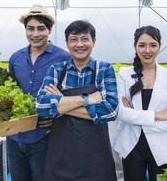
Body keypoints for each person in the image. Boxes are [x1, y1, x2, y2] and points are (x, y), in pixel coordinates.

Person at [36, 20, 118, 181]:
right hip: (61, 158)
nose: (79, 44)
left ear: (93, 41)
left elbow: (110, 110)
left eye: (85, 39)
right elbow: (41, 106)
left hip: (96, 159)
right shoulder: (57, 70)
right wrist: (88, 100)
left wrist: (61, 102)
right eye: (74, 39)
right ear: (67, 43)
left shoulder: (104, 69)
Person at [112, 25, 167, 181]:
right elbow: (120, 112)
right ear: (135, 47)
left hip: (162, 148)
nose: (147, 50)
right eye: (142, 45)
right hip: (131, 146)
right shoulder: (125, 74)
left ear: (160, 46)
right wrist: (160, 115)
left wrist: (134, 117)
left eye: (153, 45)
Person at [7, 4, 70, 181]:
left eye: (41, 28)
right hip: (14, 136)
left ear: (49, 30)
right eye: (30, 28)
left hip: (45, 136)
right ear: (25, 30)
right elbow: (8, 91)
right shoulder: (16, 57)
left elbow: (72, 96)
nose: (35, 34)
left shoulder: (64, 58)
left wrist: (59, 115)